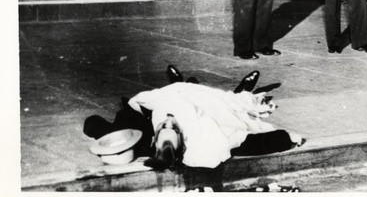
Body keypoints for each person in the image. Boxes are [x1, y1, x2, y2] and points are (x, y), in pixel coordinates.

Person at [83, 67, 304, 171]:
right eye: (173, 128)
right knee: (228, 104)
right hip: (197, 101)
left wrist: (99, 133)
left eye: (163, 128)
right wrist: (287, 138)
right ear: (181, 137)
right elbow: (251, 144)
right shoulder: (203, 137)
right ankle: (242, 91)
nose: (168, 122)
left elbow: (98, 127)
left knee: (182, 90)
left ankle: (179, 82)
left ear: (154, 139)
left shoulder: (141, 136)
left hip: (173, 94)